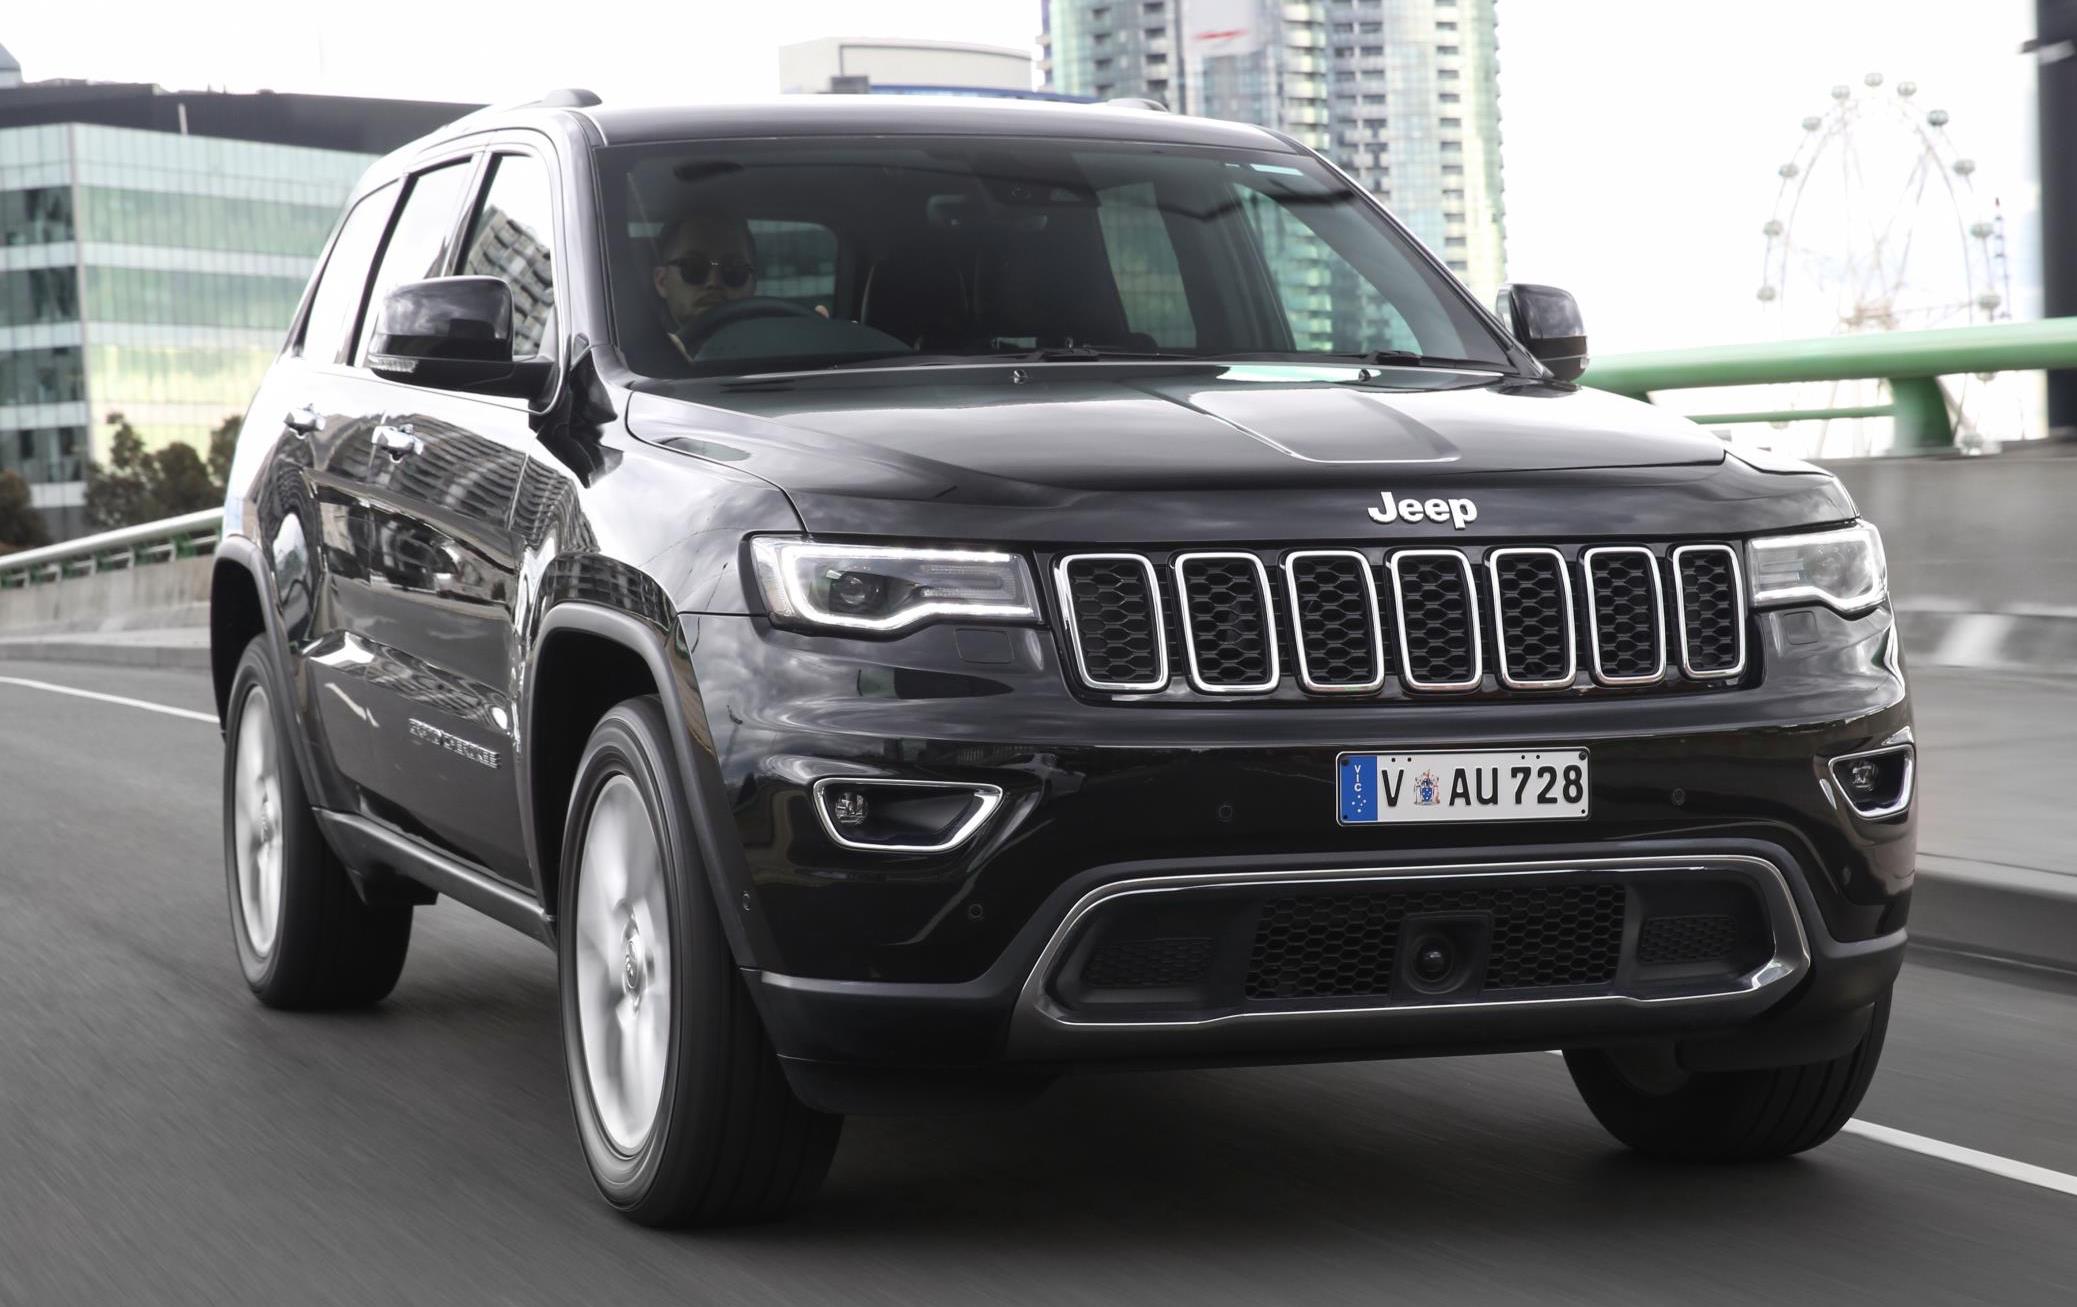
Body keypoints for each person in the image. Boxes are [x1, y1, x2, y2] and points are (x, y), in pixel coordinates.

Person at [651, 212, 759, 360]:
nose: (714, 282)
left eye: (734, 270)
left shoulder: (781, 351)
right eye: (693, 267)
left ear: (753, 283)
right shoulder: (633, 363)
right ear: (662, 281)